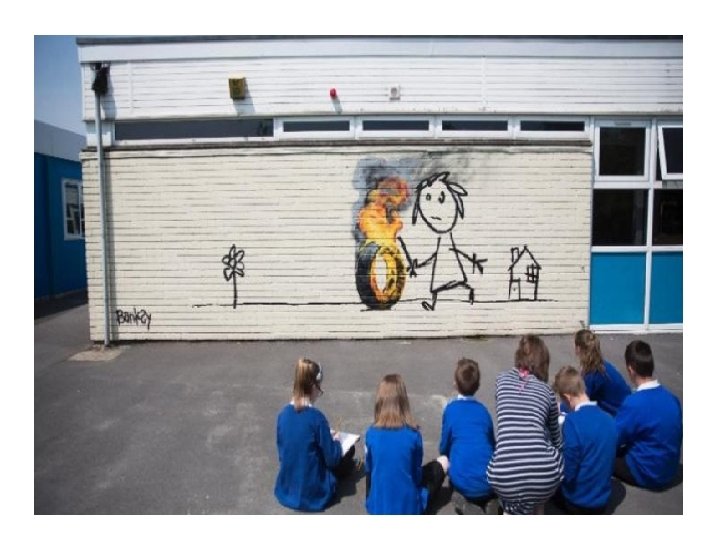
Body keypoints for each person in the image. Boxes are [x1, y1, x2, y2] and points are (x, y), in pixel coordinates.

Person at [486, 334, 564, 515]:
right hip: (543, 476)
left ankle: (513, 508)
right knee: (550, 454)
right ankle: (535, 505)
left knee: (507, 481)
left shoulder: (501, 380)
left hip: (503, 474)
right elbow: (556, 439)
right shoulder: (547, 391)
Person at [274, 357, 356, 511]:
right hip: (314, 493)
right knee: (349, 451)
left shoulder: (282, 415)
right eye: (319, 388)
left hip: (287, 487)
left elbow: (282, 451)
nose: (319, 391)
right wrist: (336, 442)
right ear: (313, 387)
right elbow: (332, 459)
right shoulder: (317, 418)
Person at [364, 374, 448, 514]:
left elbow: (370, 470)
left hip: (378, 507)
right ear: (403, 402)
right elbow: (416, 476)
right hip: (408, 508)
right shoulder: (413, 435)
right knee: (442, 462)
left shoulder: (371, 433)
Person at [614, 340, 683, 490]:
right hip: (669, 470)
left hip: (647, 473)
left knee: (601, 455)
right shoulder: (673, 399)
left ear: (631, 369)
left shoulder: (633, 403)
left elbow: (614, 439)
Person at [552, 366, 617, 514]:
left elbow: (568, 472)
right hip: (602, 501)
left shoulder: (572, 423)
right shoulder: (609, 420)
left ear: (567, 398)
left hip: (577, 501)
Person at [438, 358, 496, 514]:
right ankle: (491, 501)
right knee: (487, 485)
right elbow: (492, 444)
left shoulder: (451, 410)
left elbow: (444, 446)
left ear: (455, 384)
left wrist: (446, 454)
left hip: (464, 481)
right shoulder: (483, 411)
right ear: (478, 385)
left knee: (455, 484)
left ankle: (465, 505)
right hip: (489, 480)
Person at [570, 329, 631, 416]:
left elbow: (580, 401)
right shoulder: (603, 365)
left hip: (619, 415)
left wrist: (560, 407)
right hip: (626, 407)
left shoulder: (592, 373)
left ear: (578, 349)